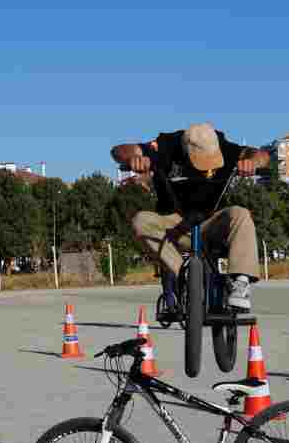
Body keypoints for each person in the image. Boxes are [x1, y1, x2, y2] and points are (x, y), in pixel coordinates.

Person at [111, 122, 270, 312]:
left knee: (240, 213)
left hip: (210, 222)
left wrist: (252, 163)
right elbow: (120, 150)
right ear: (186, 151)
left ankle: (241, 282)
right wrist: (135, 158)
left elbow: (261, 155)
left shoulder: (223, 145)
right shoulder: (167, 146)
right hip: (174, 224)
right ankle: (184, 276)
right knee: (140, 221)